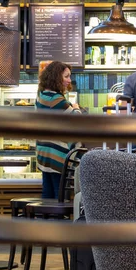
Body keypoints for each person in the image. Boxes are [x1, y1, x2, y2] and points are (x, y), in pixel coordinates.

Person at [35, 61, 82, 199]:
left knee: (48, 193)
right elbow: (77, 120)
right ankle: (58, 219)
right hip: (56, 154)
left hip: (44, 151)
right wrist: (76, 108)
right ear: (56, 77)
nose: (69, 80)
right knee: (60, 196)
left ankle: (46, 219)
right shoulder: (56, 99)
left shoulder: (41, 95)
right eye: (66, 76)